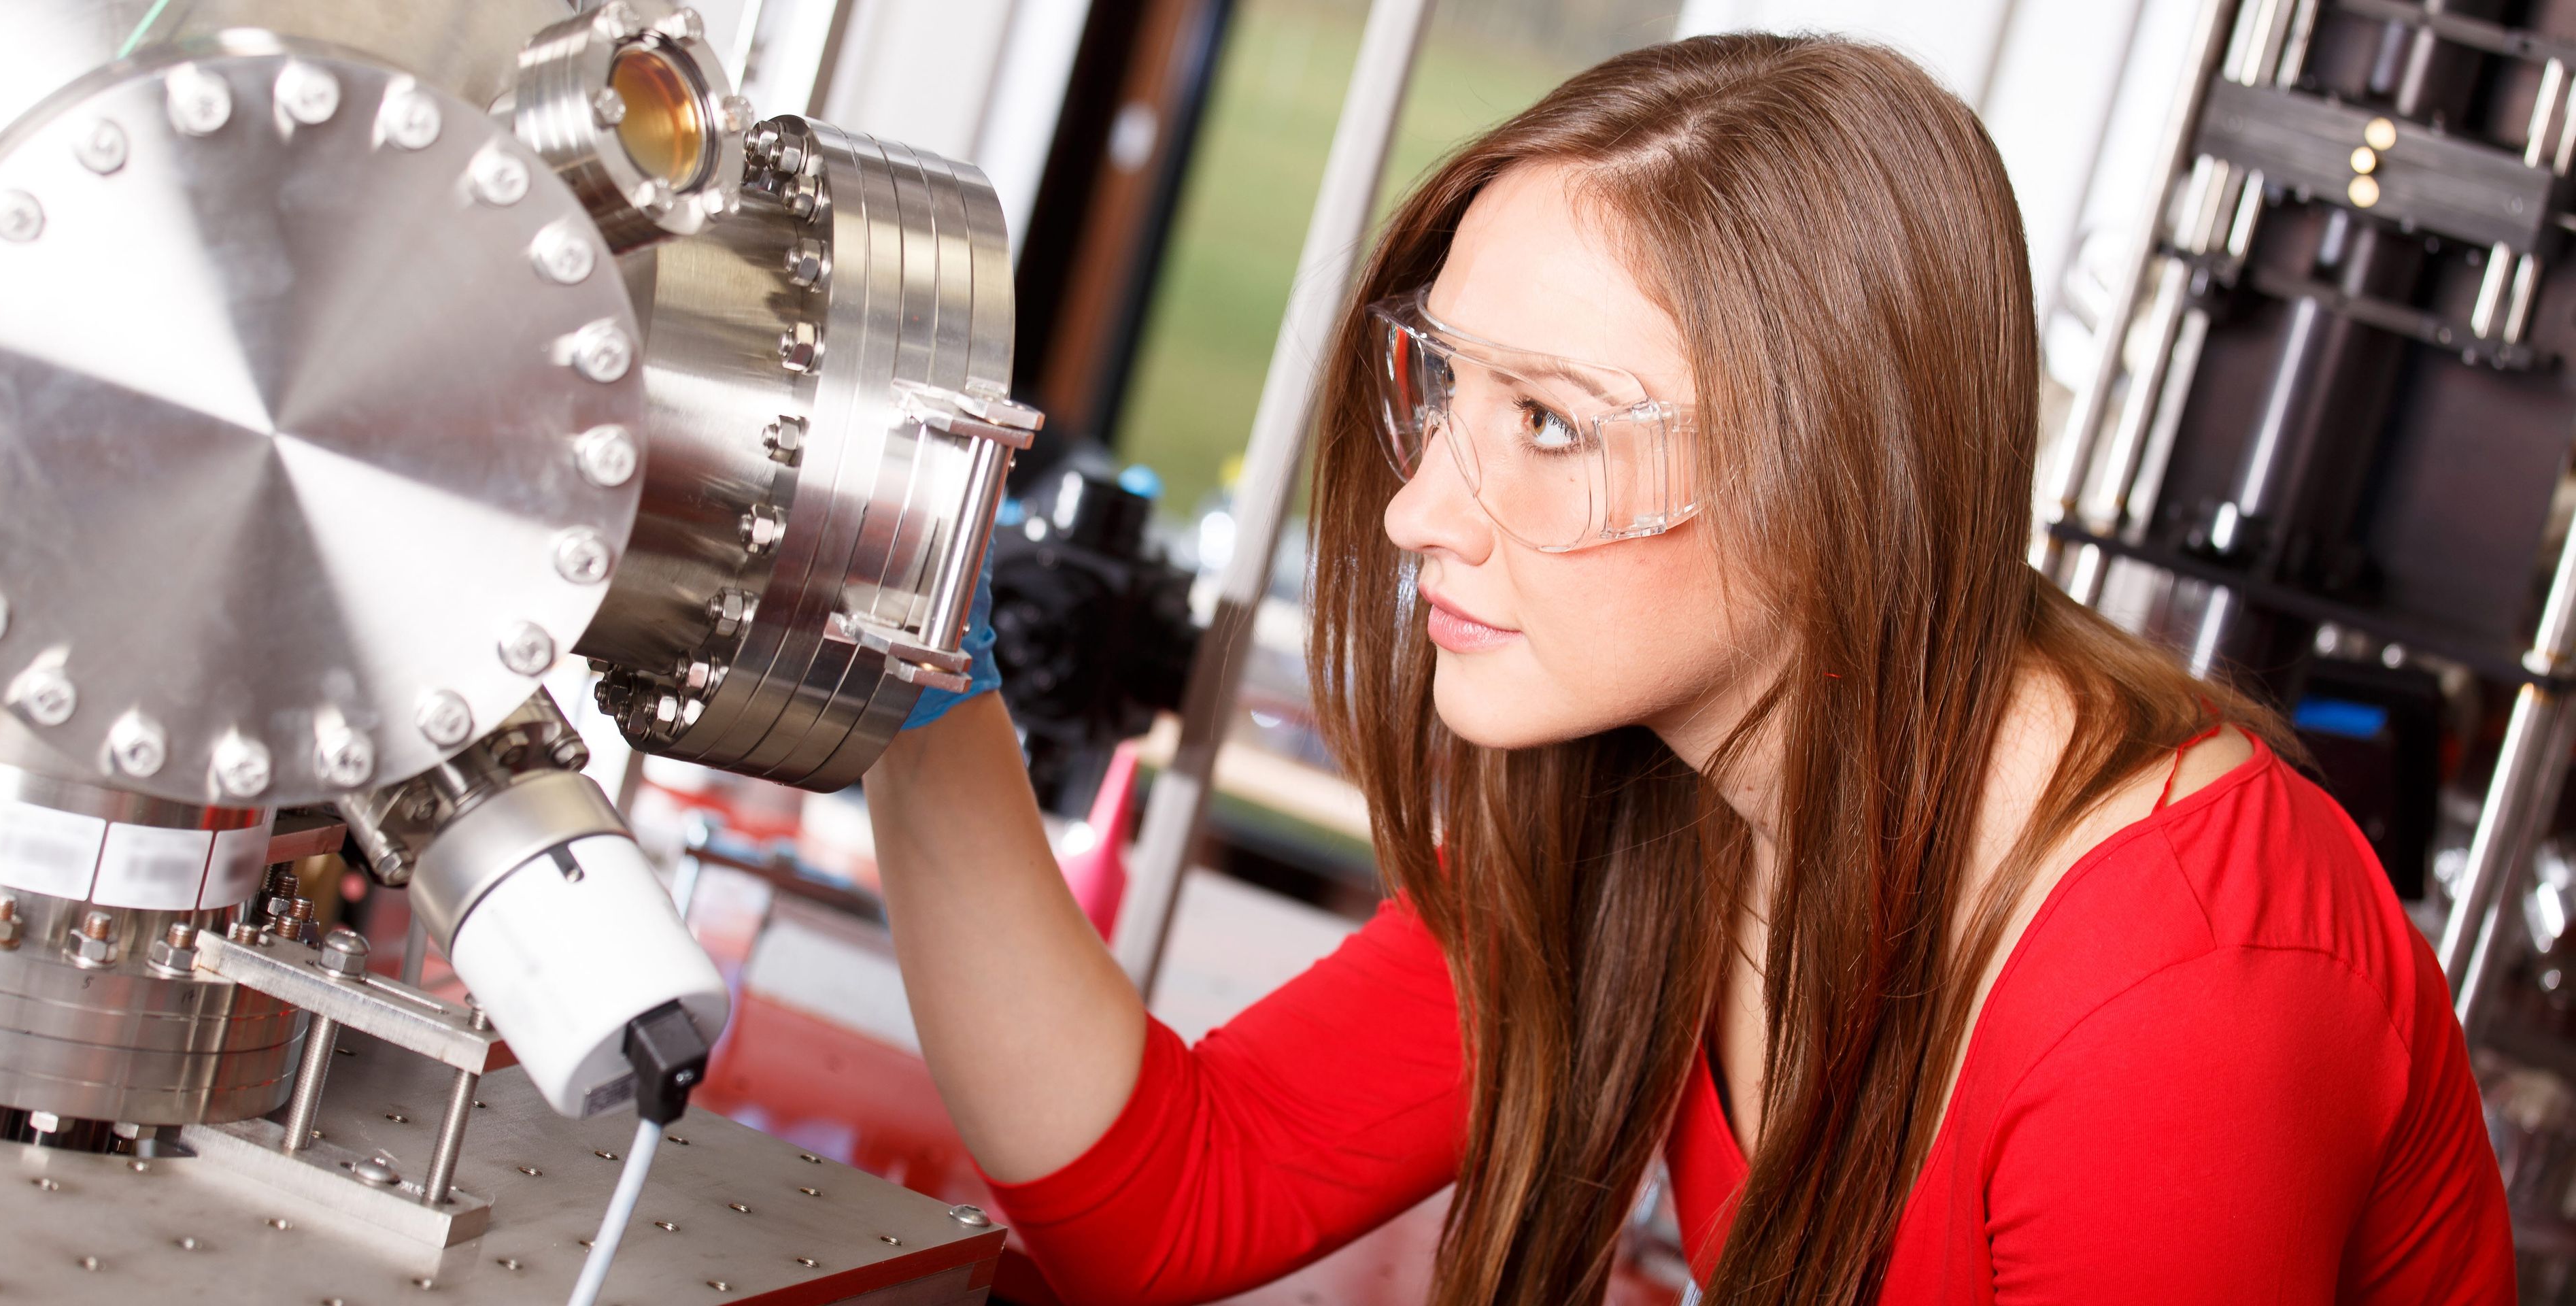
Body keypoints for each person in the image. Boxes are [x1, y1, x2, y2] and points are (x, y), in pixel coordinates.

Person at [862, 32, 2513, 1306]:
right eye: (1443, 389)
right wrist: (899, 674)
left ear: (1834, 485)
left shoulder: (2177, 993)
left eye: (1555, 425)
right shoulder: (1683, 778)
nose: (1426, 507)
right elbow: (1172, 1194)